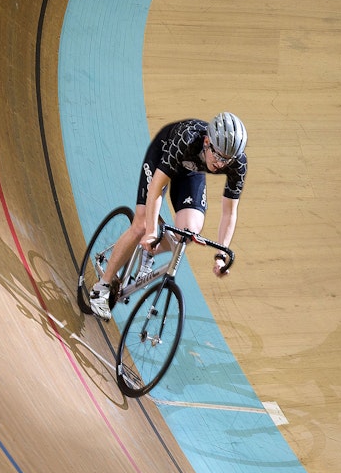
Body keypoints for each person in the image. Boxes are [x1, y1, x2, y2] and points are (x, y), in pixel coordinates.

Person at [88, 112, 248, 321]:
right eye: (217, 155)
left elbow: (229, 212)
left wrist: (220, 255)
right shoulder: (187, 138)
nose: (220, 164)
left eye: (227, 160)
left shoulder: (238, 164)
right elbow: (157, 185)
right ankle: (102, 287)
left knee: (188, 232)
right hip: (164, 155)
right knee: (141, 224)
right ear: (207, 142)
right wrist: (152, 229)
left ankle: (149, 253)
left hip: (190, 171)